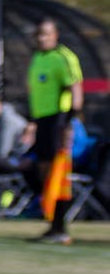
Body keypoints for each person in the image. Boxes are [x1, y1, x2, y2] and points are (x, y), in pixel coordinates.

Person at [26, 18, 84, 244]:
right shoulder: (38, 57)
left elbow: (75, 88)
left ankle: (60, 226)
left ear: (55, 34)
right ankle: (52, 223)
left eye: (46, 34)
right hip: (42, 120)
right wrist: (32, 123)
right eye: (39, 34)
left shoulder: (64, 57)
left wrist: (69, 120)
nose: (42, 38)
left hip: (58, 121)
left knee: (57, 172)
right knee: (40, 170)